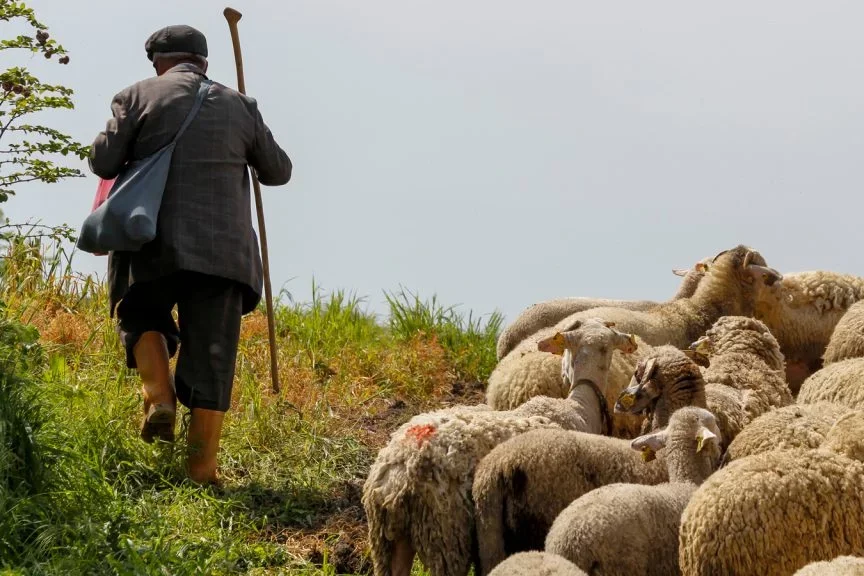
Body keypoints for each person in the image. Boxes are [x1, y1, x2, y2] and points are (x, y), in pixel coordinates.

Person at [88, 24, 292, 484]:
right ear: (203, 63)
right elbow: (278, 171)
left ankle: (159, 397)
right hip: (224, 255)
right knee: (212, 356)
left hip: (149, 240)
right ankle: (201, 469)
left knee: (140, 309)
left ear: (159, 61)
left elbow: (103, 161)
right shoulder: (241, 106)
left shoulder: (136, 95)